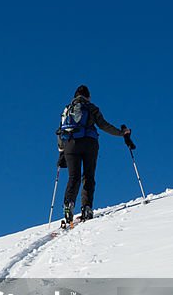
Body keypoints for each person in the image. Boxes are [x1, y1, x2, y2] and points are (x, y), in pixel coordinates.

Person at [56, 84, 132, 224]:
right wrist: (122, 133)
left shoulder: (67, 109)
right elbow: (103, 125)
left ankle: (68, 204)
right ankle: (86, 208)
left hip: (70, 145)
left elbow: (60, 131)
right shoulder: (91, 108)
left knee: (74, 177)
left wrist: (61, 152)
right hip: (89, 143)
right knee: (88, 176)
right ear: (88, 96)